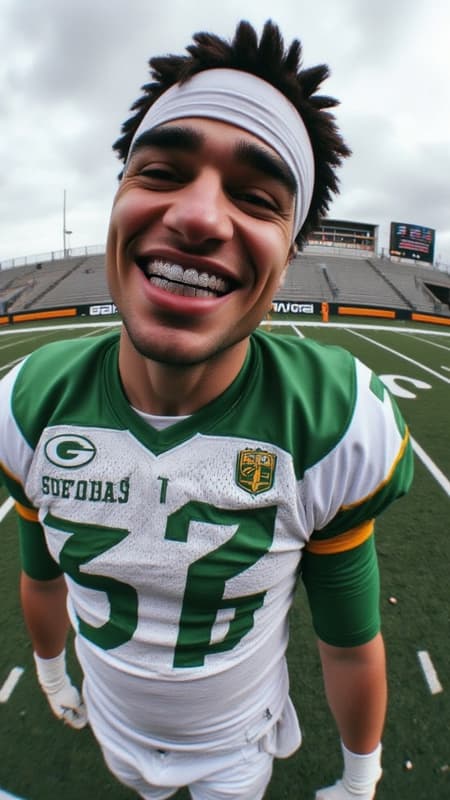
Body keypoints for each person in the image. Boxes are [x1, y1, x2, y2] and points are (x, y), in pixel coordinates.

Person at [0, 19, 413, 800]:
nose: (197, 217)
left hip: (235, 746)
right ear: (117, 198)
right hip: (116, 726)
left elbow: (351, 638)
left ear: (290, 256)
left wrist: (361, 778)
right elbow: (40, 570)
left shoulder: (330, 422)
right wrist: (53, 671)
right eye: (160, 171)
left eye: (256, 196)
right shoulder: (29, 405)